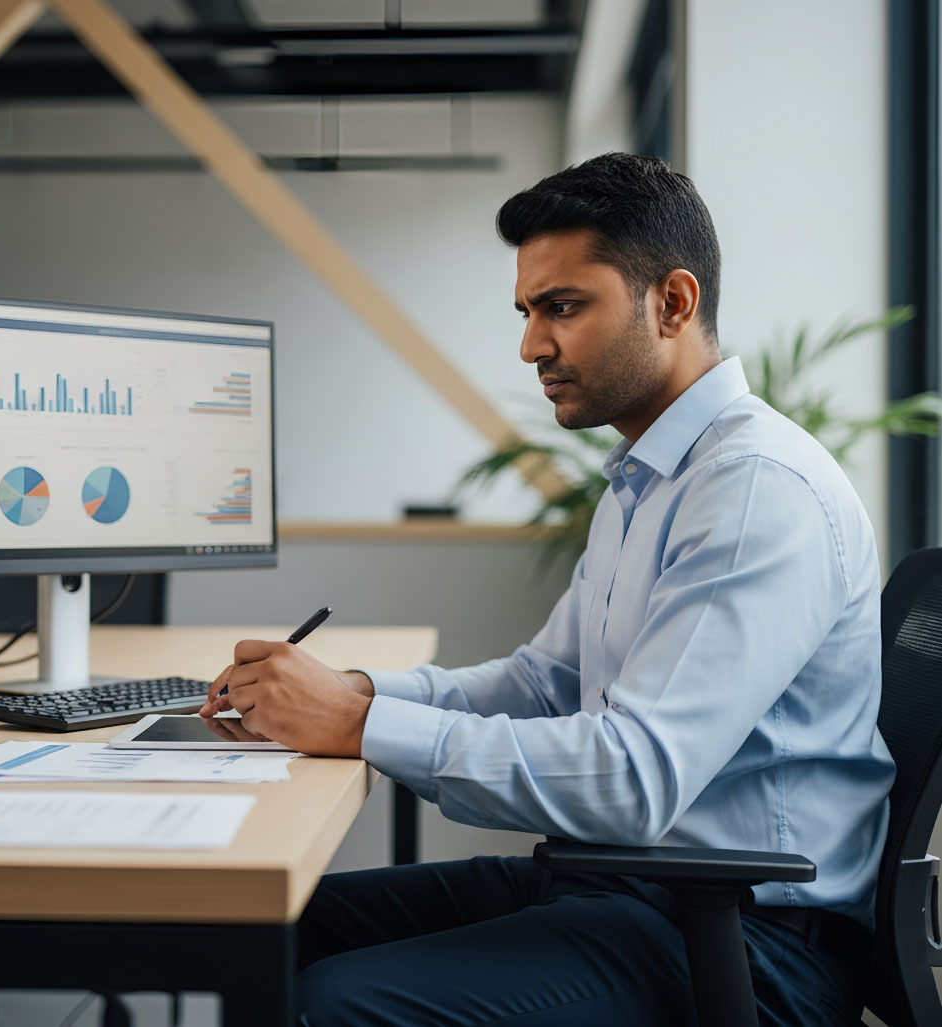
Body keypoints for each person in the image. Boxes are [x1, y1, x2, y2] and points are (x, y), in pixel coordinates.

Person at [198, 152, 895, 1026]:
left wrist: (356, 725)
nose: (531, 344)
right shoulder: (651, 475)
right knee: (268, 931)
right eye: (528, 311)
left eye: (562, 307)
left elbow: (634, 777)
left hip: (749, 943)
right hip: (633, 882)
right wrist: (357, 694)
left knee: (328, 1005)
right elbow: (541, 684)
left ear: (672, 303)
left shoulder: (753, 488)